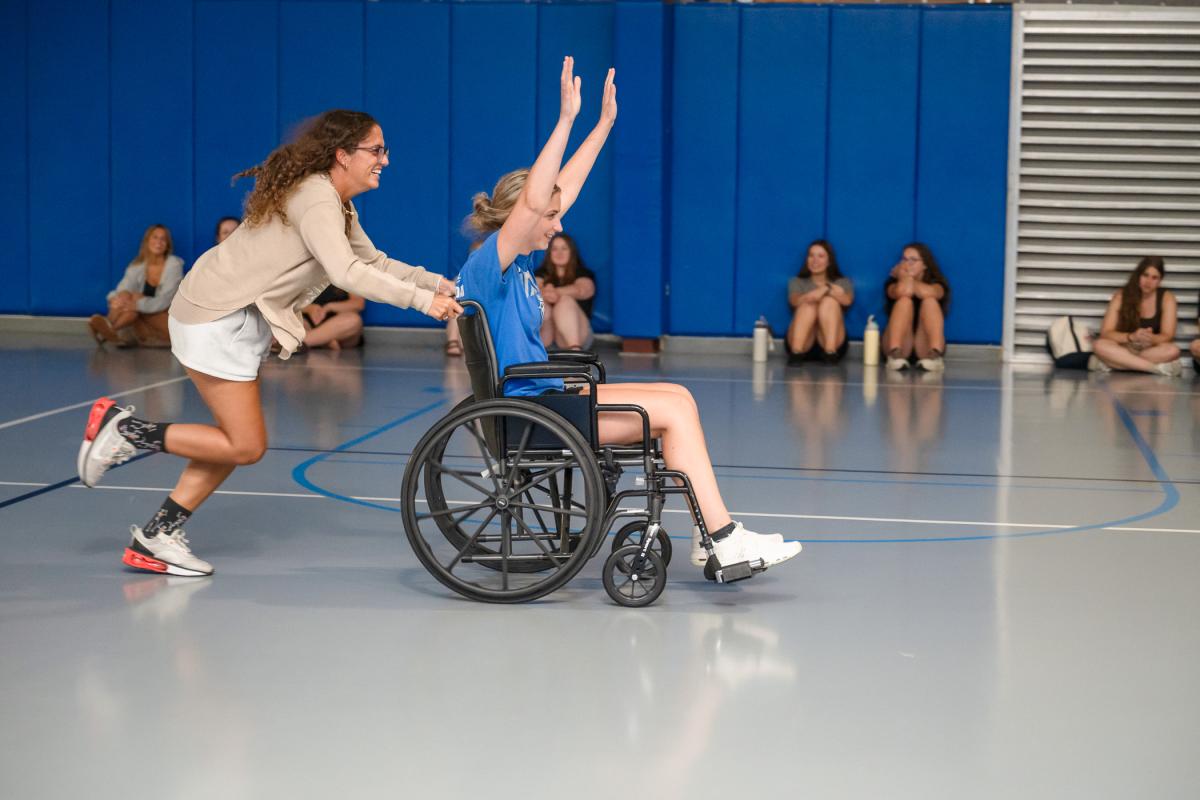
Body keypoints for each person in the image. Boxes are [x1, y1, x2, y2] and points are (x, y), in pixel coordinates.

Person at [77, 109, 463, 577]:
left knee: (231, 442)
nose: (385, 159)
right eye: (376, 150)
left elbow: (373, 261)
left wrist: (436, 283)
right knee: (246, 445)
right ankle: (124, 431)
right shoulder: (317, 199)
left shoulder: (335, 201)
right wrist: (422, 302)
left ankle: (158, 535)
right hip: (215, 317)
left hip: (232, 319)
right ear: (343, 155)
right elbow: (346, 273)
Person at [455, 57, 801, 575]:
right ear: (518, 217)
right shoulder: (489, 265)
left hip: (549, 400)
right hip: (533, 413)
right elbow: (536, 199)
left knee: (679, 397)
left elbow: (557, 190)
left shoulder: (520, 261)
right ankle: (724, 538)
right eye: (550, 217)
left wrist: (601, 128)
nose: (558, 223)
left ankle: (711, 538)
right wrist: (566, 119)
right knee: (675, 414)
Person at [89, 224, 183, 348]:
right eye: (155, 237)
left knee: (136, 298)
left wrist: (138, 304)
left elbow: (166, 300)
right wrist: (118, 298)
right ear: (147, 241)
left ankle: (108, 328)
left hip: (167, 320)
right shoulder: (137, 265)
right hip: (143, 320)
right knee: (126, 295)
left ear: (167, 244)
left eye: (163, 239)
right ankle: (109, 327)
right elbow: (123, 288)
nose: (159, 242)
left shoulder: (174, 265)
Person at [1089, 256, 1182, 376]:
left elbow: (1168, 336)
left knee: (1173, 350)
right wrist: (1131, 337)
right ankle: (1155, 369)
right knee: (1099, 345)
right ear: (1138, 275)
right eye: (1145, 275)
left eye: (1154, 278)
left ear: (1160, 280)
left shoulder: (1167, 298)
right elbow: (1106, 333)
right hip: (1125, 347)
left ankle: (1113, 363)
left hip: (1148, 349)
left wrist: (1149, 338)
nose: (1148, 282)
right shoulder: (1121, 295)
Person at [882, 242, 950, 372]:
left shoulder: (937, 284)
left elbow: (928, 292)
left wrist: (905, 276)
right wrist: (904, 278)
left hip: (924, 345)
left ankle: (935, 356)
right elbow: (904, 291)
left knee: (929, 301)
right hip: (899, 342)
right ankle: (895, 355)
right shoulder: (893, 284)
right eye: (905, 259)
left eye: (913, 260)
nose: (908, 264)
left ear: (925, 264)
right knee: (904, 301)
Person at [785, 240, 853, 364]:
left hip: (831, 340)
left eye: (820, 256)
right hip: (803, 342)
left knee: (829, 302)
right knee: (808, 304)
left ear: (829, 261)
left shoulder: (843, 282)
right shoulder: (796, 281)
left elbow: (847, 301)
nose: (815, 260)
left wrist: (826, 288)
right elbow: (794, 301)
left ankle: (830, 353)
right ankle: (796, 352)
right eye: (811, 255)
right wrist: (815, 294)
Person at [536, 232, 596, 350]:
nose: (559, 253)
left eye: (564, 248)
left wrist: (555, 292)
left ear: (571, 252)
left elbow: (584, 290)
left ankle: (576, 352)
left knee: (565, 300)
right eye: (555, 249)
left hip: (577, 336)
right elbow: (531, 291)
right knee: (542, 304)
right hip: (546, 337)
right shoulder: (540, 273)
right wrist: (545, 295)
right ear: (549, 253)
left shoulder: (582, 273)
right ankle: (538, 350)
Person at [302, 285, 365, 350]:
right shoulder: (303, 276)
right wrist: (308, 308)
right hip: (309, 321)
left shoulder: (348, 276)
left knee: (353, 320)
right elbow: (292, 304)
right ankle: (322, 341)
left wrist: (329, 307)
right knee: (297, 322)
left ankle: (302, 342)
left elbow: (358, 304)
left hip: (338, 325)